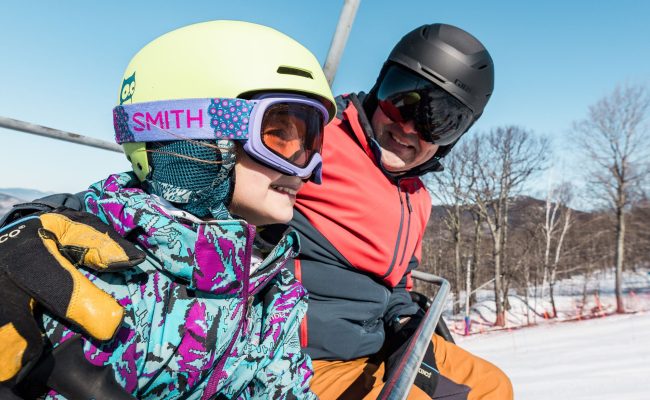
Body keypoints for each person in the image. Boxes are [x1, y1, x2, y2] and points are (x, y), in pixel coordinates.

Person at [0, 20, 336, 399]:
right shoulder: (90, 269)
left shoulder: (274, 290)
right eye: (279, 135)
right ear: (198, 133)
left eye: (311, 142)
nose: (307, 170)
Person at [261, 23, 513, 399]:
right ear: (379, 89)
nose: (408, 128)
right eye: (402, 100)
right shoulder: (319, 135)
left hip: (374, 346)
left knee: (492, 386)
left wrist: (407, 326)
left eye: (438, 123)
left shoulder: (417, 199)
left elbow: (397, 285)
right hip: (300, 358)